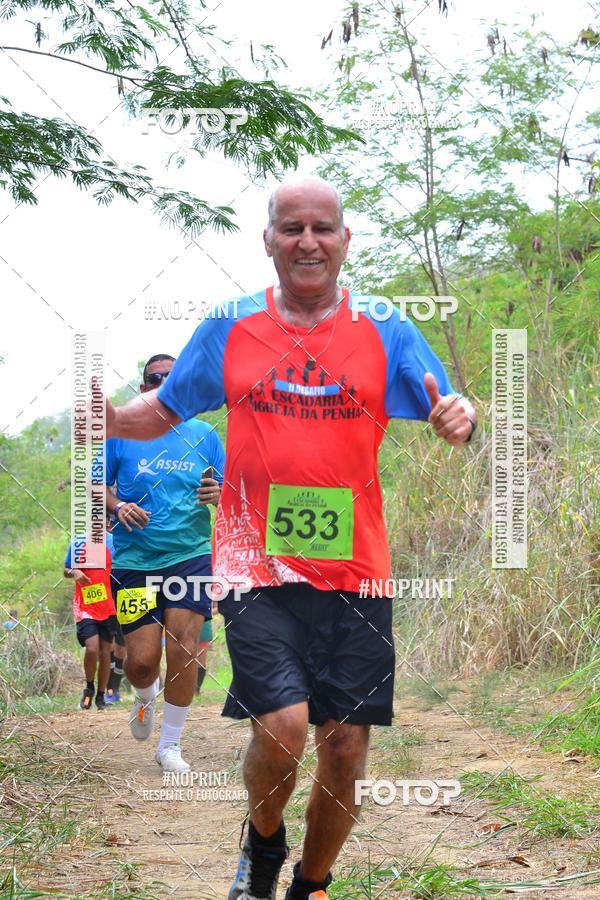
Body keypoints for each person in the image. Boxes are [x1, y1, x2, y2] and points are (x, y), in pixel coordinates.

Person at [105, 177, 477, 900]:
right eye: (291, 228)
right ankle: (264, 847)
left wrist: (460, 418)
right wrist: (111, 418)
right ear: (269, 239)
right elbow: (168, 404)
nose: (308, 241)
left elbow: (450, 404)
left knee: (344, 747)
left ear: (345, 241)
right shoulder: (231, 325)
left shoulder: (386, 326)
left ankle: (312, 884)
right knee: (281, 728)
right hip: (254, 562)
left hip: (356, 570)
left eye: (323, 228)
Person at [105, 353, 224, 773]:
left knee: (184, 648)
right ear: (143, 389)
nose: (164, 383)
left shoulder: (205, 434)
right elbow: (95, 487)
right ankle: (143, 696)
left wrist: (218, 495)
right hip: (135, 560)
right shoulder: (122, 435)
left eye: (172, 378)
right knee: (140, 662)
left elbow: (226, 490)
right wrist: (118, 506)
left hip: (190, 557)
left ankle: (170, 745)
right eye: (155, 378)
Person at [64, 517, 118, 711]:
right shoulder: (78, 542)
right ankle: (89, 687)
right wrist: (75, 572)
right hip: (85, 605)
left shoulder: (115, 542)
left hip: (108, 605)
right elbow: (66, 569)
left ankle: (101, 696)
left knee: (106, 651)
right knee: (92, 648)